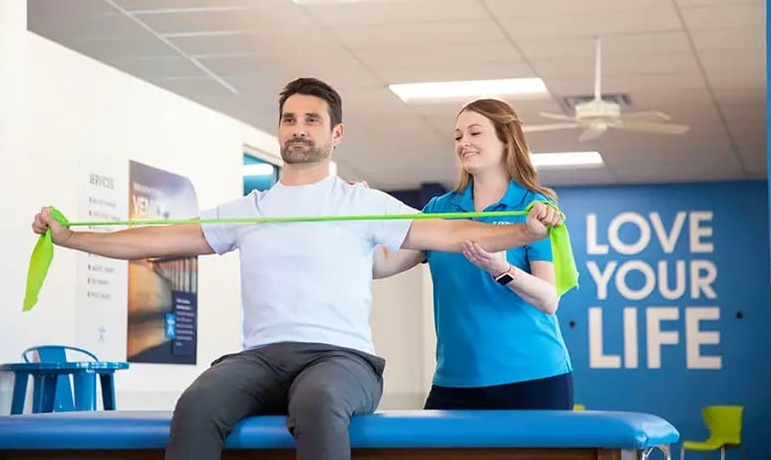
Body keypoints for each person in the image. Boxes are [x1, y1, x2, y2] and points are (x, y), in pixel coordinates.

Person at [31, 79, 563, 460]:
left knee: (319, 401)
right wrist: (72, 237)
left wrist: (524, 234)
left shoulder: (361, 203)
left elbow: (448, 234)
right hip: (259, 358)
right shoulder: (250, 209)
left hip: (341, 360)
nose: (299, 128)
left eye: (312, 119)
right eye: (290, 118)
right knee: (196, 403)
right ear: (279, 132)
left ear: (336, 135)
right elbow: (160, 238)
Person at [372, 98, 574, 411]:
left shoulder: (534, 208)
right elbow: (383, 264)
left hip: (532, 378)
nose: (464, 142)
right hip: (455, 382)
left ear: (507, 140)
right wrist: (354, 209)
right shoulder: (440, 209)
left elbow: (549, 299)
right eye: (457, 136)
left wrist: (502, 270)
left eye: (475, 133)